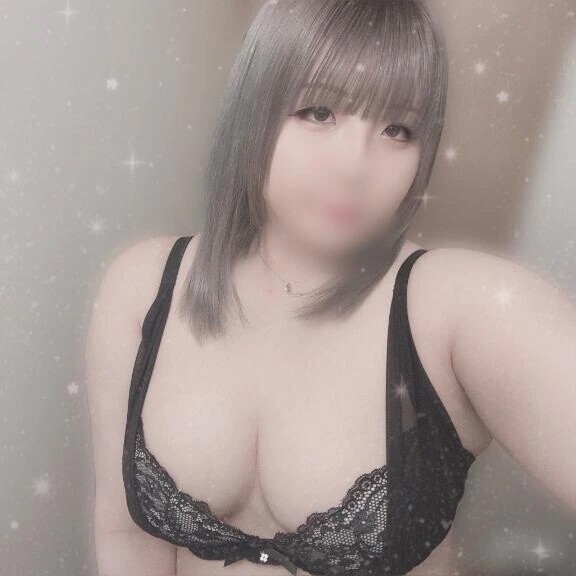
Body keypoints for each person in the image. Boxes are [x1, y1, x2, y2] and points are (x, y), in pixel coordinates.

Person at [85, 1, 576, 575]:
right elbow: (125, 532)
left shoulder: (461, 307)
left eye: (398, 129)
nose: (354, 165)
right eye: (318, 112)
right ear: (253, 109)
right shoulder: (144, 287)